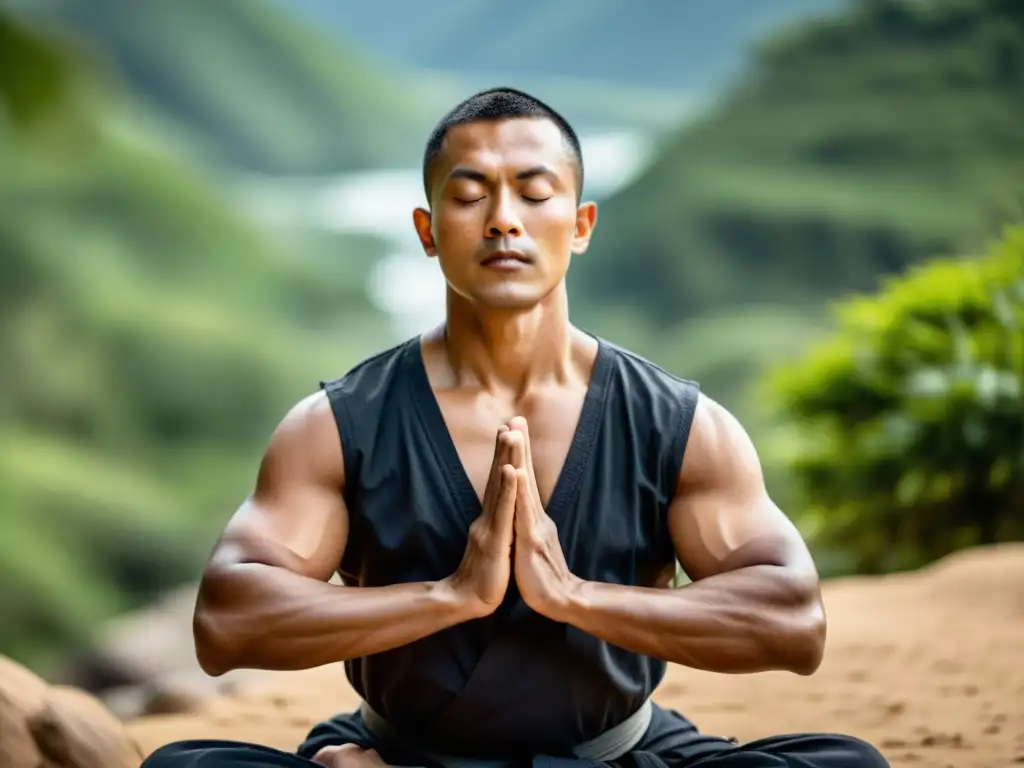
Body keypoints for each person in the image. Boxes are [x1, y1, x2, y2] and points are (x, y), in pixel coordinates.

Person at [141, 88, 889, 768]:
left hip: (611, 758)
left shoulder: (679, 423)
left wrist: (569, 594)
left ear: (581, 223)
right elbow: (228, 619)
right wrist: (453, 595)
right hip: (404, 753)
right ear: (428, 231)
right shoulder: (339, 424)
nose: (504, 218)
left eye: (534, 193)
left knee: (848, 766)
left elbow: (792, 620)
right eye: (470, 196)